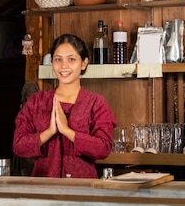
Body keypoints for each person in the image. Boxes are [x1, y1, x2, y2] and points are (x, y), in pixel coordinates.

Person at [13, 34, 117, 178]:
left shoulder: (96, 103)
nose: (64, 66)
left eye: (71, 59)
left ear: (84, 63)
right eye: (58, 59)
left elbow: (103, 148)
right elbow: (19, 146)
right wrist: (49, 132)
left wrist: (68, 132)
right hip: (44, 189)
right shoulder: (37, 101)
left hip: (82, 190)